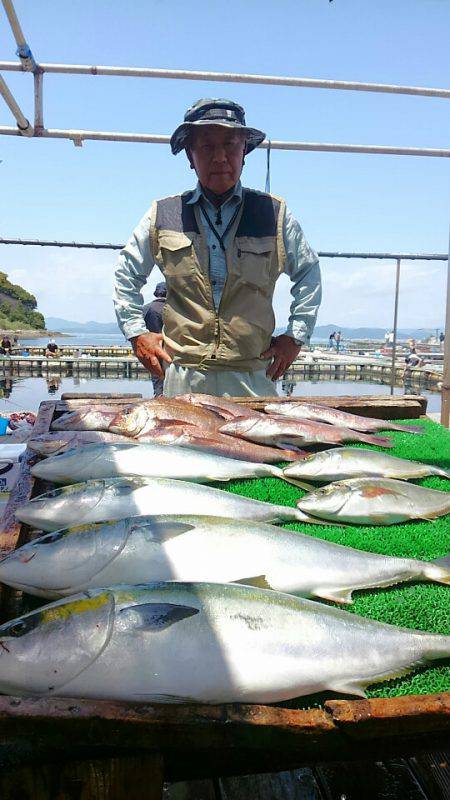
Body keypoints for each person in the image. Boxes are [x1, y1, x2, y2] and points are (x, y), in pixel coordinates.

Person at [114, 98, 321, 397]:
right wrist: (136, 334)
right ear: (190, 154)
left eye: (231, 145)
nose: (220, 157)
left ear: (244, 153)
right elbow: (126, 274)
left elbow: (308, 273)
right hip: (183, 376)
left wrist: (295, 337)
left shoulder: (273, 214)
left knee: (253, 445)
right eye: (207, 146)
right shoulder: (164, 214)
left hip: (253, 375)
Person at [143, 281, 167, 397]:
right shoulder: (172, 309)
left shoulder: (146, 308)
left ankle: (158, 398)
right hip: (170, 349)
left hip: (151, 348)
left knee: (156, 377)